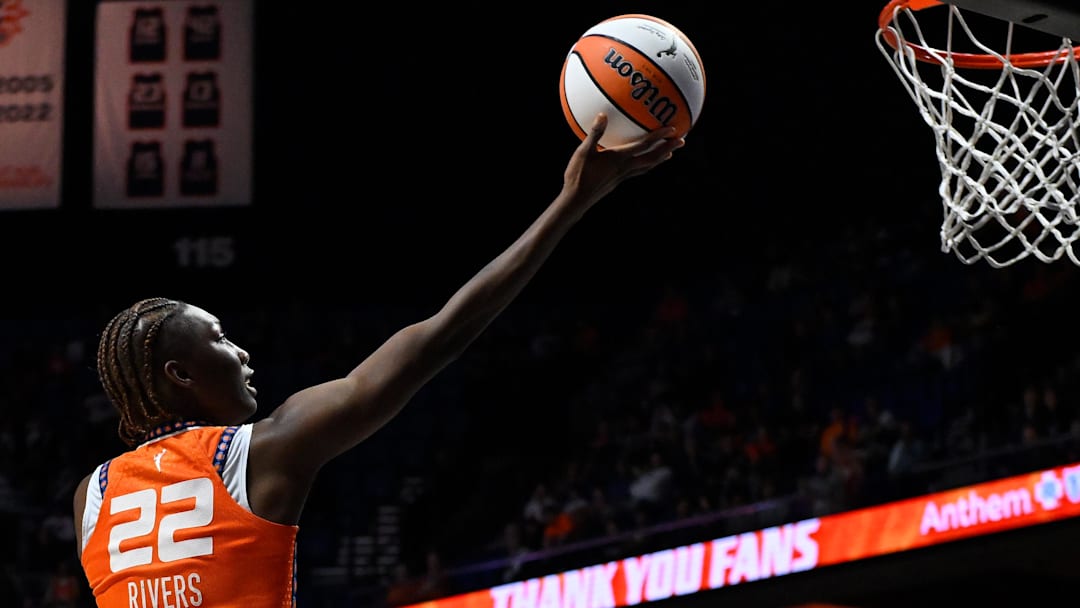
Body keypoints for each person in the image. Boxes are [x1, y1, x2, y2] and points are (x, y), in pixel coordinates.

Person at [70, 113, 685, 607]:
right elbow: (443, 333)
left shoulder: (90, 498)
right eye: (221, 339)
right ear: (180, 374)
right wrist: (569, 204)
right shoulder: (260, 451)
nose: (242, 352)